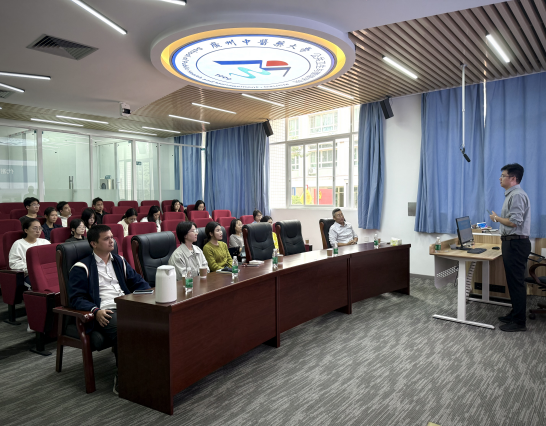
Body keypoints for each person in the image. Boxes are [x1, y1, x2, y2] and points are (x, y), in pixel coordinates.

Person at [67, 224, 151, 395]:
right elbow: (76, 298)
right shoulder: (81, 267)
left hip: (126, 304)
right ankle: (123, 377)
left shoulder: (119, 261)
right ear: (93, 244)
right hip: (105, 311)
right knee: (126, 329)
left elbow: (139, 282)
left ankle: (148, 370)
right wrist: (95, 310)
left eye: (112, 237)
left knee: (157, 321)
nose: (112, 241)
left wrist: (146, 298)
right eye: (106, 239)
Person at [489, 163, 531, 332]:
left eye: (503, 176)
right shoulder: (511, 195)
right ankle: (515, 313)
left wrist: (496, 218)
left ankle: (519, 322)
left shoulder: (517, 195)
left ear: (513, 178)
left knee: (516, 282)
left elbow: (514, 222)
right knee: (513, 282)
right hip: (512, 242)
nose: (500, 178)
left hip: (516, 243)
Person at [9, 218, 50, 290]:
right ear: (26, 230)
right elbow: (14, 263)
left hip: (47, 272)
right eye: (35, 228)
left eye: (40, 228)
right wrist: (32, 269)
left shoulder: (45, 242)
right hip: (30, 274)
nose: (38, 231)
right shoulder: (18, 244)